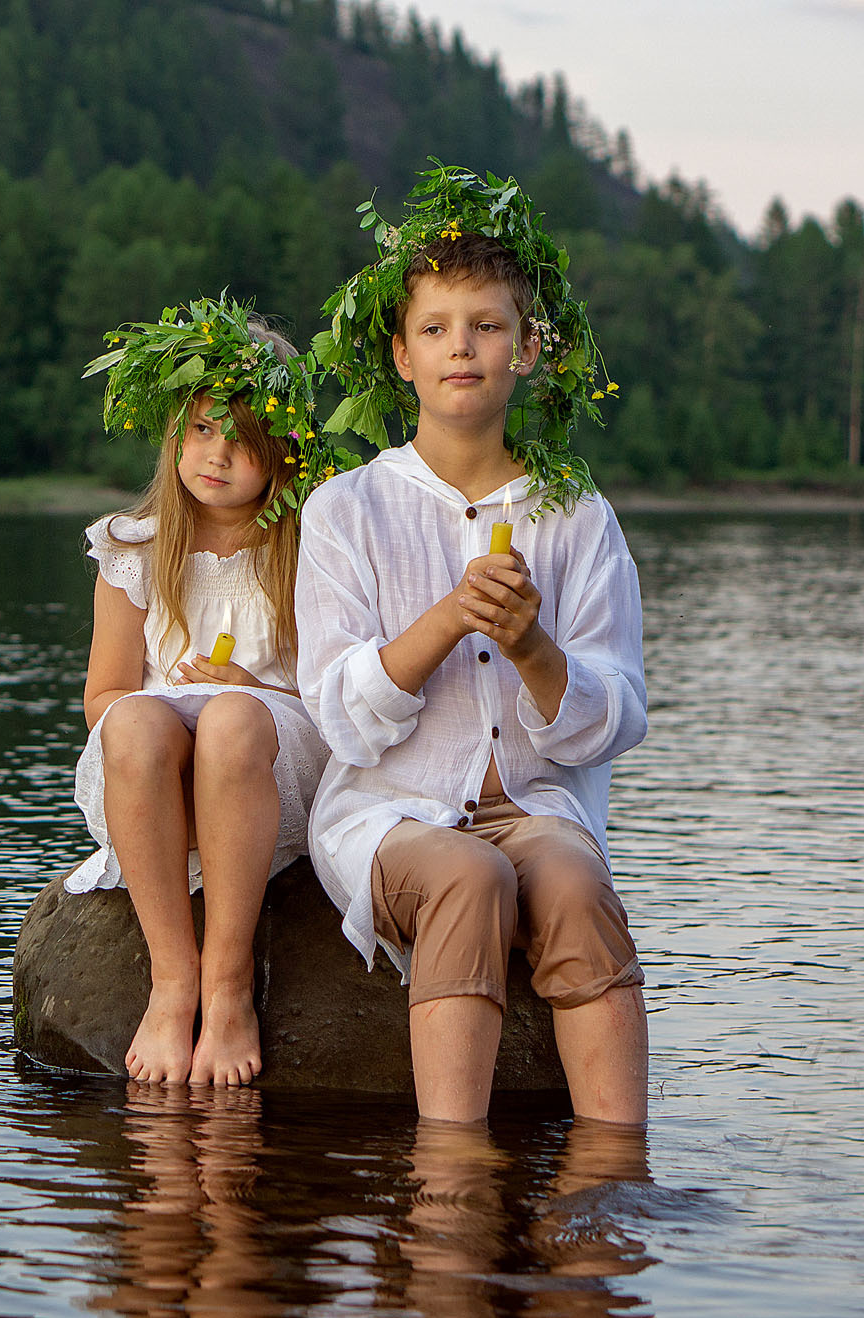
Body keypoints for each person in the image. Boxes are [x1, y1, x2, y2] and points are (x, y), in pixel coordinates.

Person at [297, 164, 650, 1123]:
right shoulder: (348, 510)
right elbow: (339, 717)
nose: (465, 348)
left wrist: (533, 645)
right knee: (469, 874)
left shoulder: (576, 516)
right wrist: (450, 618)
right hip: (389, 811)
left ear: (528, 348)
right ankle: (452, 1170)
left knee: (574, 883)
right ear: (402, 356)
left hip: (535, 806)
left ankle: (617, 1168)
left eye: (488, 326)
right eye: (437, 328)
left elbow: (614, 720)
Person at [70, 295, 356, 1086]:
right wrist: (163, 716)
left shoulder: (307, 547)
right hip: (157, 767)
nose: (216, 454)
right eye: (201, 430)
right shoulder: (134, 547)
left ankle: (228, 987)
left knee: (233, 715)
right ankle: (172, 982)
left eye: (243, 438)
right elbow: (104, 698)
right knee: (132, 725)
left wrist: (252, 688)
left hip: (265, 750)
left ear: (286, 452)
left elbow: (333, 690)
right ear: (175, 436)